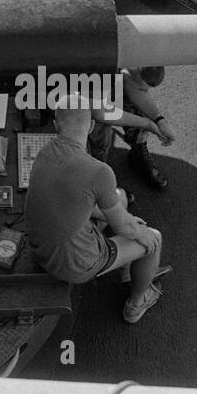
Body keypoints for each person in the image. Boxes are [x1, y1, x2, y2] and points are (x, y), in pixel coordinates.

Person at [25, 97, 169, 323]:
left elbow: (74, 199)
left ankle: (126, 264)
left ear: (55, 126)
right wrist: (141, 232)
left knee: (120, 197)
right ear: (91, 126)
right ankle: (136, 304)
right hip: (73, 263)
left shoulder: (44, 152)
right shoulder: (99, 172)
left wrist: (128, 222)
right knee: (153, 240)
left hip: (40, 249)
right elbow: (124, 226)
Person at [86, 67, 176, 189]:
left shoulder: (133, 58)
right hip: (68, 92)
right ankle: (98, 181)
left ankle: (137, 154)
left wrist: (159, 120)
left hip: (108, 78)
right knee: (99, 130)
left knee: (137, 105)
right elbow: (100, 113)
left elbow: (137, 88)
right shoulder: (96, 64)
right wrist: (147, 124)